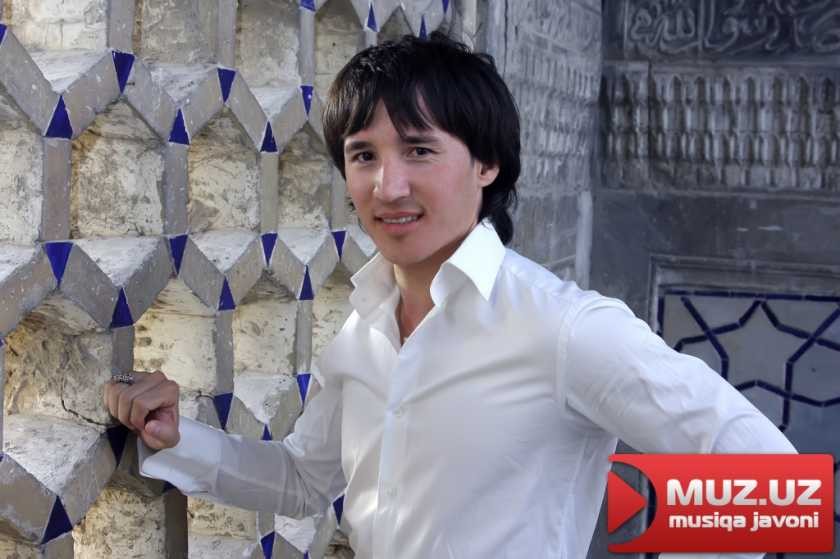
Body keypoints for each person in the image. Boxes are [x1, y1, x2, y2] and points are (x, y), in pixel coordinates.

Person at [104, 33, 795, 558]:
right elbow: (303, 480)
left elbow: (773, 486)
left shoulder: (564, 329)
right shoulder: (365, 327)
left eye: (419, 150)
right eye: (364, 155)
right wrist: (177, 437)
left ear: (486, 163)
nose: (388, 186)